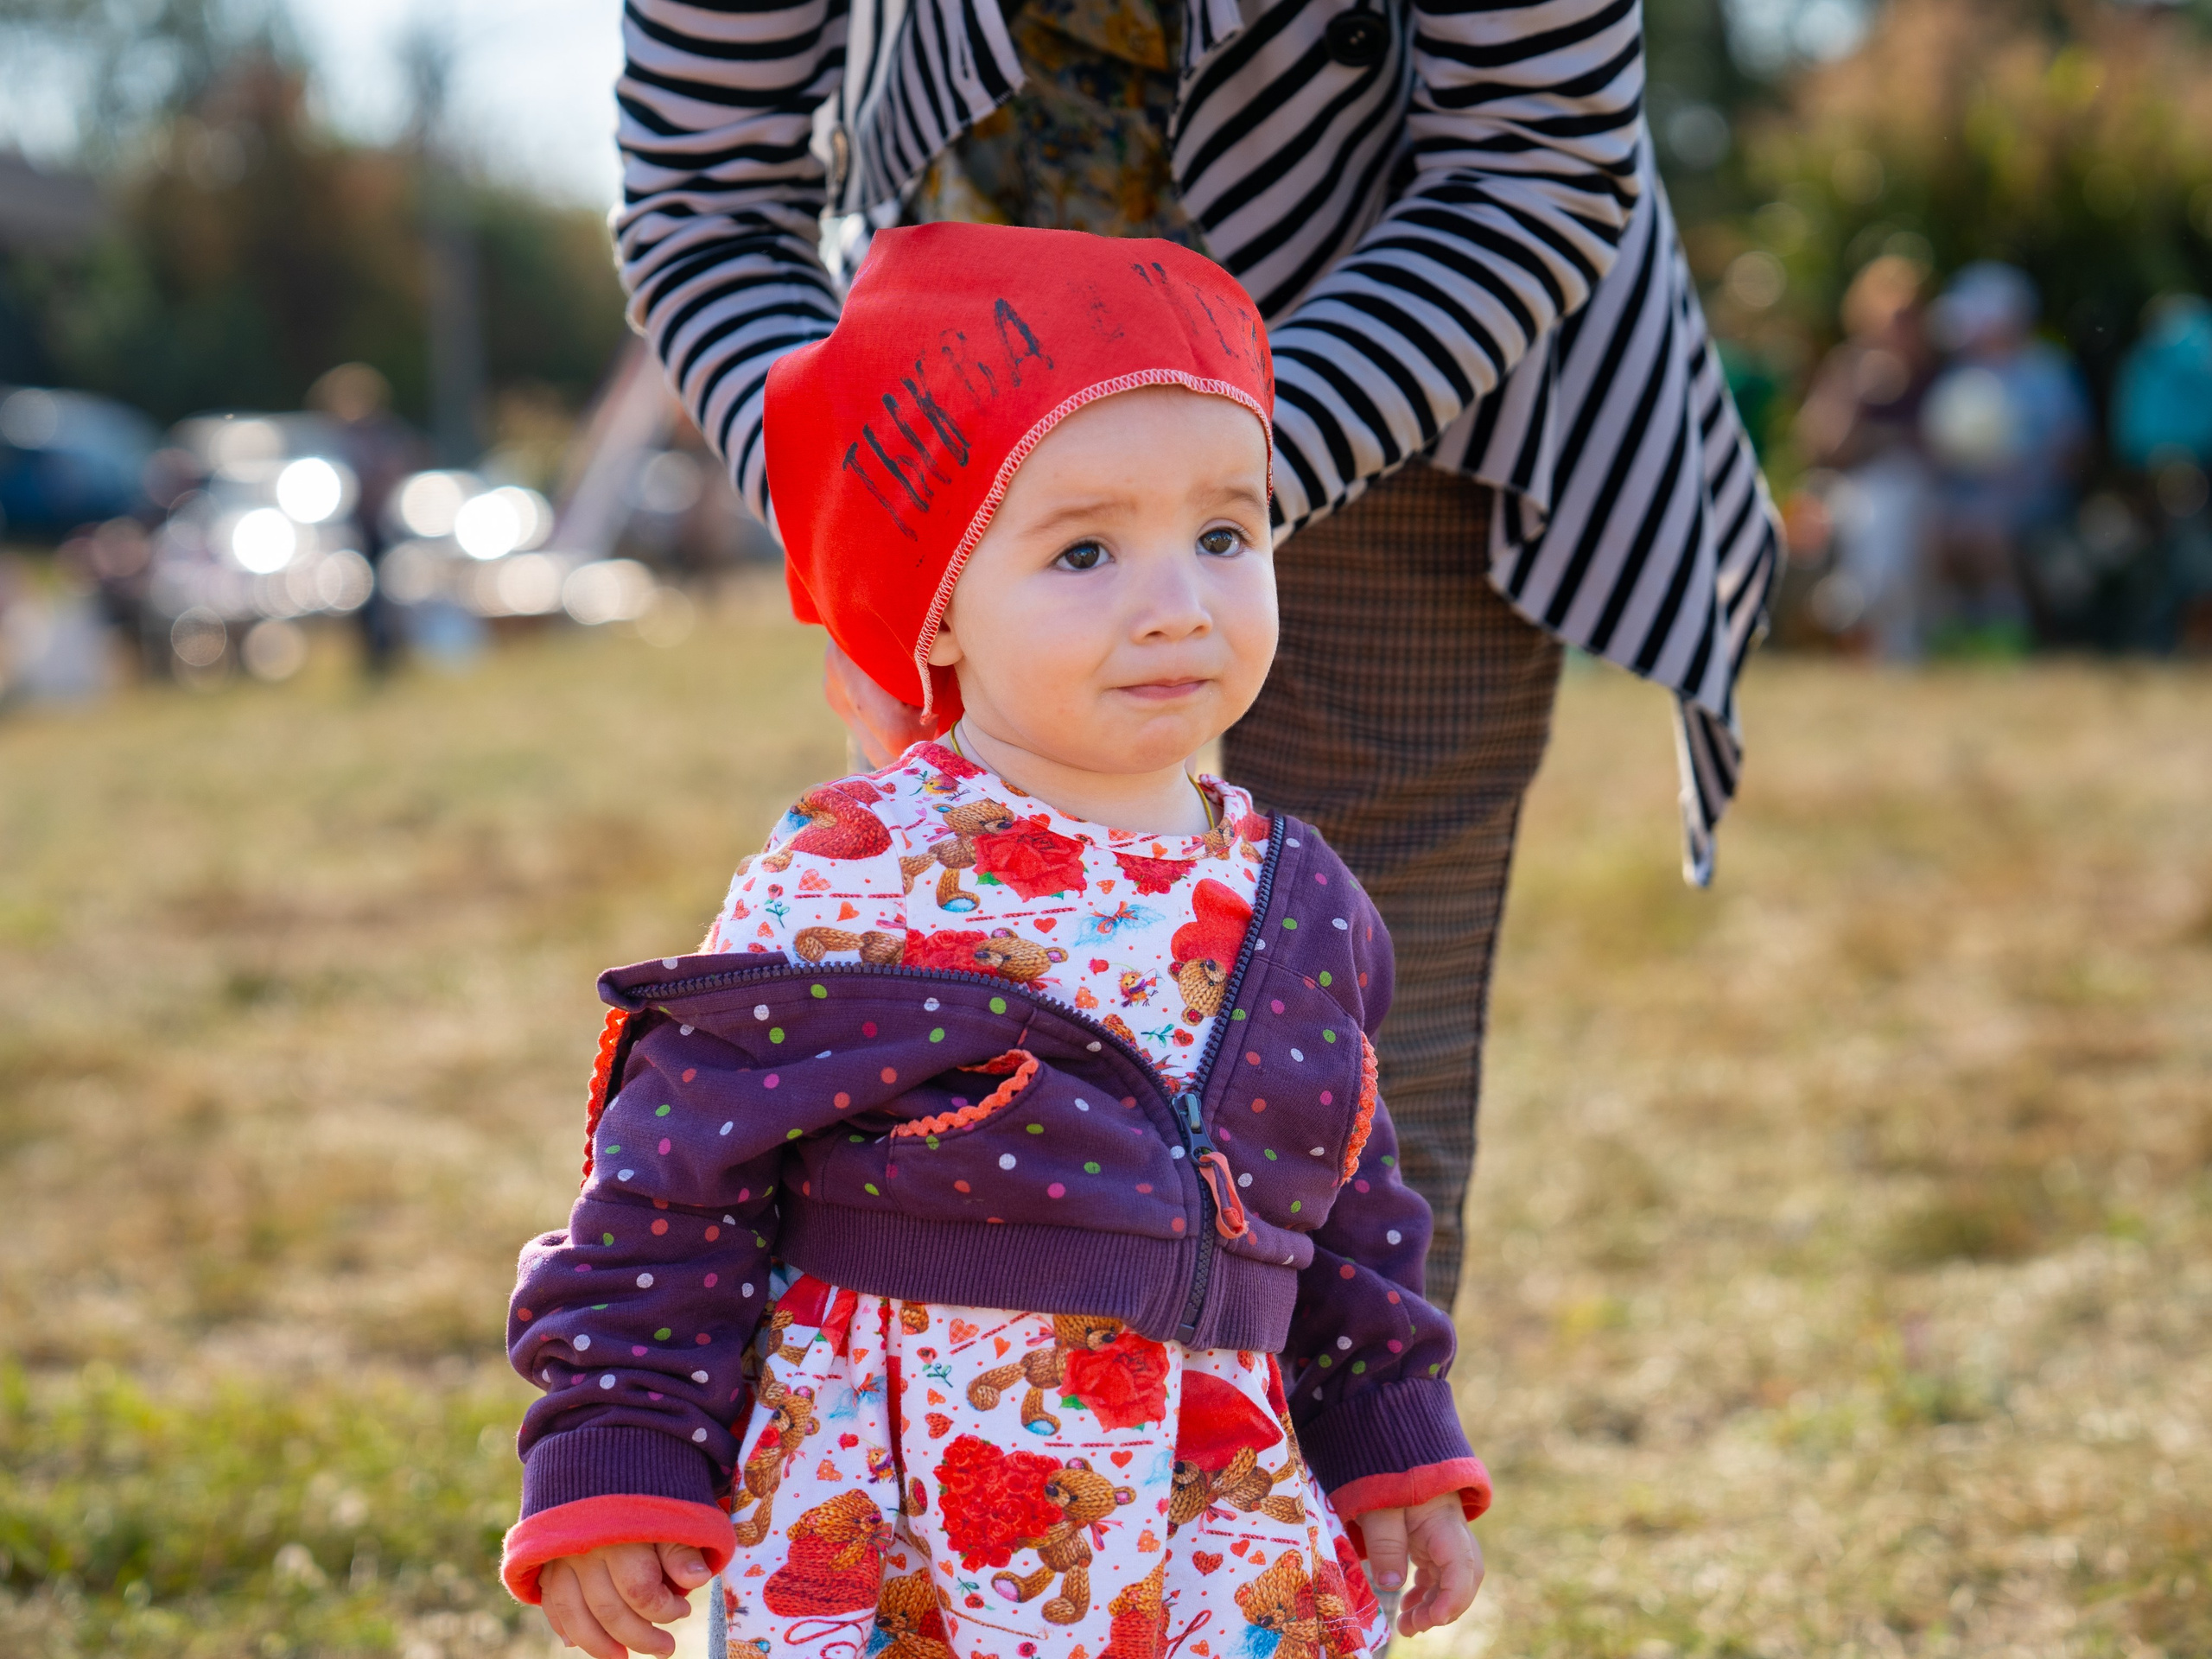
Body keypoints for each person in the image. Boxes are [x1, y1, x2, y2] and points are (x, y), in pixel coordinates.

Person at [613, 0, 1780, 1311]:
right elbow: (704, 194)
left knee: (1355, 1060)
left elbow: (1530, 164)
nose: (1169, 609)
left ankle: (1324, 1507)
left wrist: (1212, 489)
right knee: (955, 1009)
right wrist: (875, 509)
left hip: (1412, 351)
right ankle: (1012, 1489)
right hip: (960, 412)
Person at [499, 226, 1488, 1659]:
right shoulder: (852, 875)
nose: (1178, 604)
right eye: (1084, 549)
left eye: (1225, 533)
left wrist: (1394, 1436)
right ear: (938, 604)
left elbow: (1346, 1202)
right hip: (905, 1522)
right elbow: (668, 1186)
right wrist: (616, 1452)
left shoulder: (1296, 894)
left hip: (1212, 1515)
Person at [1796, 255, 1939, 658]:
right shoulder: (1850, 366)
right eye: (1893, 317)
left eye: (1909, 316)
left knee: (1894, 506)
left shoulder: (1937, 372)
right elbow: (1823, 446)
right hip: (1850, 491)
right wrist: (1859, 397)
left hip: (1924, 491)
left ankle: (1858, 609)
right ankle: (1878, 631)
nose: (1900, 328)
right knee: (1878, 512)